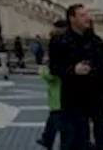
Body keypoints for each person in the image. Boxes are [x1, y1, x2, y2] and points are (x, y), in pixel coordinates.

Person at [48, 3, 103, 149]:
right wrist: (73, 70)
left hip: (98, 94)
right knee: (76, 137)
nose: (88, 18)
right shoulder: (60, 41)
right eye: (82, 15)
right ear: (72, 18)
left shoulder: (96, 41)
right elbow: (54, 68)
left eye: (87, 14)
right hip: (74, 96)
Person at [36, 19, 66, 149]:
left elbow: (52, 73)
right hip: (60, 93)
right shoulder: (63, 41)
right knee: (56, 120)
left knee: (58, 120)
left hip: (60, 93)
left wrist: (43, 72)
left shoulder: (58, 42)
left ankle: (48, 140)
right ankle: (47, 139)